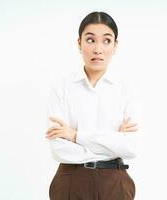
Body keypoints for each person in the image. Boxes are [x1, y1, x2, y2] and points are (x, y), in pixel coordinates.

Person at [46, 11, 143, 200]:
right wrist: (114, 141)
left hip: (114, 183)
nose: (98, 49)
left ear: (115, 45)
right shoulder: (62, 87)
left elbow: (131, 147)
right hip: (70, 181)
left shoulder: (127, 89)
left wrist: (75, 136)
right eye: (90, 40)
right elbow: (59, 148)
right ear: (79, 43)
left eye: (106, 41)